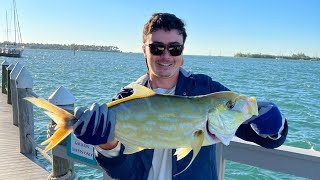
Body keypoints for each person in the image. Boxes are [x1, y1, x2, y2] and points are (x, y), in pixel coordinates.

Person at [73, 13, 288, 180]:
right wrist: (107, 146)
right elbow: (122, 173)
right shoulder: (126, 98)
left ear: (182, 53)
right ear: (144, 51)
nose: (166, 56)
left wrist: (273, 127)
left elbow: (261, 137)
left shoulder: (207, 90)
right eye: (157, 48)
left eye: (174, 48)